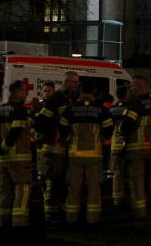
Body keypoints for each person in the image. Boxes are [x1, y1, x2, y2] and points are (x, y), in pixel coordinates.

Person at [59, 89, 113, 225]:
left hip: (75, 155)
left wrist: (68, 138)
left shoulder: (70, 109)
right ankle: (93, 219)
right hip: (95, 156)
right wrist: (103, 137)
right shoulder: (101, 110)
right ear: (93, 96)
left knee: (74, 188)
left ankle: (71, 218)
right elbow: (109, 129)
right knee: (94, 189)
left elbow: (62, 128)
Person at [34, 71, 80, 224]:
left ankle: (59, 214)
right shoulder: (55, 100)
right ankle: (50, 218)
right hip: (52, 149)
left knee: (61, 185)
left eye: (77, 82)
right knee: (51, 185)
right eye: (73, 82)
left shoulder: (72, 99)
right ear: (66, 82)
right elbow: (40, 122)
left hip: (65, 150)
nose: (76, 85)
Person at [118, 76, 151, 218]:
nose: (130, 90)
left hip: (137, 149)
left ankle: (140, 211)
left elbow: (127, 124)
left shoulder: (136, 103)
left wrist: (121, 129)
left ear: (139, 87)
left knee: (137, 180)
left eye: (132, 87)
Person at [0, 80, 32, 229]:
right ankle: (19, 224)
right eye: (24, 90)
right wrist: (6, 146)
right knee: (22, 190)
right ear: (17, 92)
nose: (26, 93)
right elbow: (16, 131)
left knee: (5, 192)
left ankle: (4, 220)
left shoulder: (0, 110)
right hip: (19, 158)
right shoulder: (19, 109)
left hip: (3, 160)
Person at [109, 87, 129, 209]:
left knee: (117, 174)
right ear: (126, 94)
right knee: (131, 174)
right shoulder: (130, 108)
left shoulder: (111, 109)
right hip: (128, 145)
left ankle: (117, 201)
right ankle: (131, 199)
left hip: (115, 146)